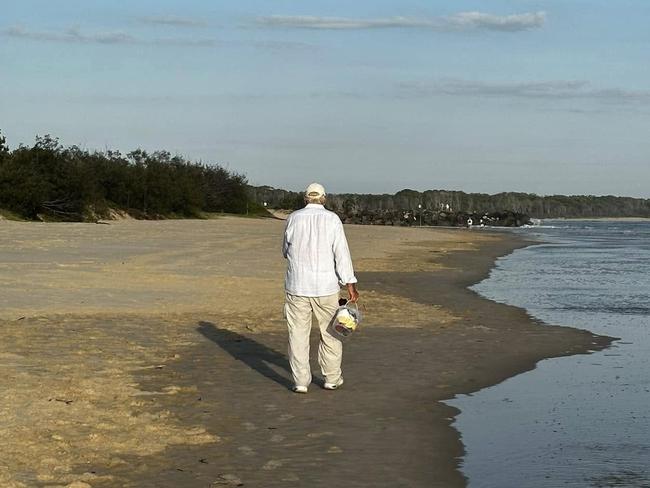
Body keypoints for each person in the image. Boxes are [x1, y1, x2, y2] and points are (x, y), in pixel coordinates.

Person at [282, 183, 359, 394]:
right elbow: (341, 254)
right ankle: (332, 378)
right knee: (331, 333)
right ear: (323, 199)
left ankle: (300, 381)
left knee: (297, 335)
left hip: (297, 285)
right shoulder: (332, 219)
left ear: (306, 198)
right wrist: (350, 284)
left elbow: (285, 250)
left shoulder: (294, 218)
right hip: (326, 287)